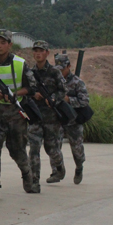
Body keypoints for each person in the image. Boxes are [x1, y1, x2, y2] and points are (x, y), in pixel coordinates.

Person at [0, 29, 37, 201]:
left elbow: (31, 87)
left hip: (16, 113)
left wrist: (14, 94)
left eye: (2, 43)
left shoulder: (20, 64)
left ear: (10, 45)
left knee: (17, 151)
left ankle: (27, 174)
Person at [28, 41, 67, 184]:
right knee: (34, 149)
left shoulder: (54, 72)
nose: (38, 53)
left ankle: (59, 167)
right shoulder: (30, 73)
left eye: (41, 51)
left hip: (51, 117)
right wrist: (34, 95)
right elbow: (25, 90)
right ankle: (34, 180)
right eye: (36, 51)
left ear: (47, 53)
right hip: (35, 116)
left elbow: (63, 90)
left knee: (51, 149)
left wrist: (53, 99)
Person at [55, 53, 89, 184]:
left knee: (77, 149)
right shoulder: (54, 81)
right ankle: (57, 170)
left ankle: (79, 167)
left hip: (73, 120)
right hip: (58, 119)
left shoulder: (77, 82)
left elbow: (84, 101)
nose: (60, 72)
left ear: (69, 66)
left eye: (62, 69)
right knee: (54, 147)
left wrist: (69, 99)